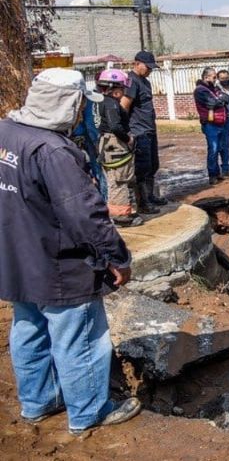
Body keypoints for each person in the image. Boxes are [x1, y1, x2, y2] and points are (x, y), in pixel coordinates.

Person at [0, 68, 142, 436]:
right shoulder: (54, 151)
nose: (82, 113)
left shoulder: (6, 133)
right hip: (59, 265)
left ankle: (38, 403)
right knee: (78, 338)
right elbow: (85, 216)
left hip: (17, 259)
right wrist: (117, 256)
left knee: (28, 330)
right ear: (68, 103)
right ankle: (89, 412)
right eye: (80, 105)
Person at [95, 69, 142, 227]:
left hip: (106, 145)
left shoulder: (99, 101)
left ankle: (121, 213)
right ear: (113, 88)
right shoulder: (111, 105)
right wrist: (128, 138)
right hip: (115, 146)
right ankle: (122, 218)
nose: (123, 92)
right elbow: (115, 126)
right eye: (122, 88)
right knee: (119, 181)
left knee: (116, 180)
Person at [121, 50, 166, 215]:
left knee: (153, 165)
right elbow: (124, 107)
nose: (149, 70)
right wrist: (127, 132)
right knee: (142, 168)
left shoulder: (145, 82)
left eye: (151, 68)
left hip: (149, 129)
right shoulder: (131, 81)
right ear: (136, 63)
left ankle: (151, 195)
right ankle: (143, 203)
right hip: (138, 131)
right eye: (147, 67)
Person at [194, 67, 229, 185]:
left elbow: (226, 97)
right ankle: (212, 176)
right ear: (206, 77)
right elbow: (212, 103)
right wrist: (220, 100)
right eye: (214, 77)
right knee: (213, 149)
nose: (216, 80)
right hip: (210, 124)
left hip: (220, 122)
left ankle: (218, 173)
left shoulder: (213, 88)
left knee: (221, 148)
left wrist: (220, 99)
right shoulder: (200, 90)